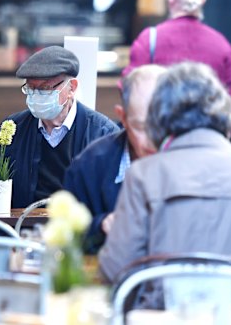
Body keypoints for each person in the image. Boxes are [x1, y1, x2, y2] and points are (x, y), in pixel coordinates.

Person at [99, 62, 231, 322]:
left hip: (167, 318)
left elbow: (115, 268)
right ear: (225, 113)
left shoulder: (144, 175)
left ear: (159, 118)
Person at [123, 0, 231, 144]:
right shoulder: (221, 44)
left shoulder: (149, 39)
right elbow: (230, 101)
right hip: (210, 142)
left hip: (160, 143)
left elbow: (131, 89)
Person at [63, 65, 167, 252]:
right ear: (123, 117)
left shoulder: (192, 162)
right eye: (141, 127)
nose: (152, 139)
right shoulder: (88, 167)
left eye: (161, 125)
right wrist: (101, 226)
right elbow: (68, 238)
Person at [2, 46, 119, 208]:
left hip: (80, 229)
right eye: (30, 88)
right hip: (22, 227)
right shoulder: (13, 129)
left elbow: (112, 198)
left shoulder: (103, 133)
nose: (36, 95)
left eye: (44, 88)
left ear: (71, 88)